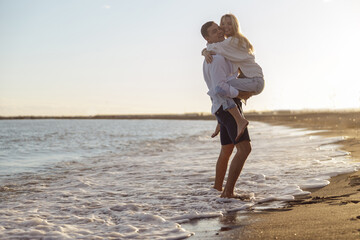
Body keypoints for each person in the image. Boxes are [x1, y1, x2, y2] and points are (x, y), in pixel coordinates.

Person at [201, 21, 252, 198]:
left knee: (227, 150)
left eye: (220, 29)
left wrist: (219, 117)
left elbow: (215, 89)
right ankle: (228, 193)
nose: (220, 32)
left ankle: (217, 188)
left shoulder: (214, 54)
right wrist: (241, 93)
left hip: (222, 108)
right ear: (207, 38)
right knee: (244, 150)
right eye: (215, 32)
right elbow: (219, 88)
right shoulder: (217, 58)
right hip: (228, 106)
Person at [202, 14, 265, 139]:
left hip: (254, 81)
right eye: (223, 24)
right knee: (219, 87)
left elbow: (213, 47)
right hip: (249, 80)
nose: (225, 27)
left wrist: (204, 51)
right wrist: (205, 51)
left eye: (229, 23)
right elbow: (214, 47)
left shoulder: (233, 41)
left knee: (219, 88)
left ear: (235, 26)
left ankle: (238, 120)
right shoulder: (230, 42)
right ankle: (221, 121)